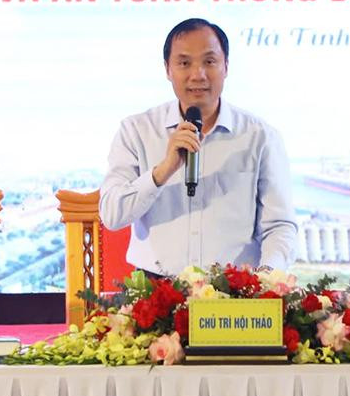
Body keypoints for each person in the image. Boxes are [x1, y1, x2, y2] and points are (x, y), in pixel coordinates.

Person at [99, 17, 297, 277]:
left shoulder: (260, 136)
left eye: (209, 62)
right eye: (184, 63)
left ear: (226, 66)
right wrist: (163, 171)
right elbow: (112, 215)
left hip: (234, 289)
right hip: (155, 290)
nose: (198, 75)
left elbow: (280, 226)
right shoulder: (136, 130)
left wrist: (266, 278)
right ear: (167, 69)